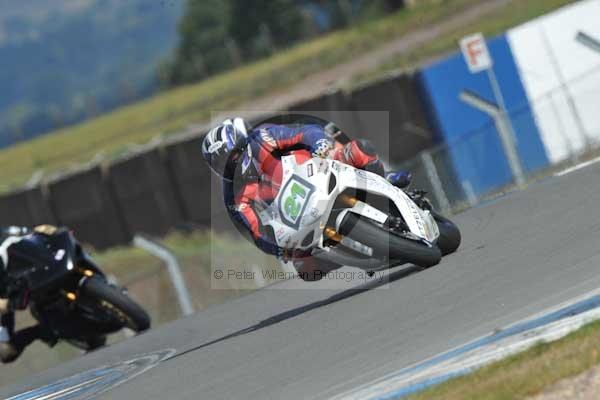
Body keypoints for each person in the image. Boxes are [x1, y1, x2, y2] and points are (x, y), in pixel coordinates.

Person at [201, 117, 412, 281]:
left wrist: (319, 143)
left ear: (243, 144)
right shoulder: (233, 194)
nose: (229, 165)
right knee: (305, 270)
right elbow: (255, 232)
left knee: (359, 149)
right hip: (297, 212)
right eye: (221, 164)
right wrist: (279, 249)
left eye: (232, 157)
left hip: (318, 169)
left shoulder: (262, 137)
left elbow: (302, 133)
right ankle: (359, 256)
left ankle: (385, 179)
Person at [0, 226, 51, 363]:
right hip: (8, 293)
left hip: (29, 269)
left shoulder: (7, 236)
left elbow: (28, 233)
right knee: (6, 352)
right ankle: (45, 330)